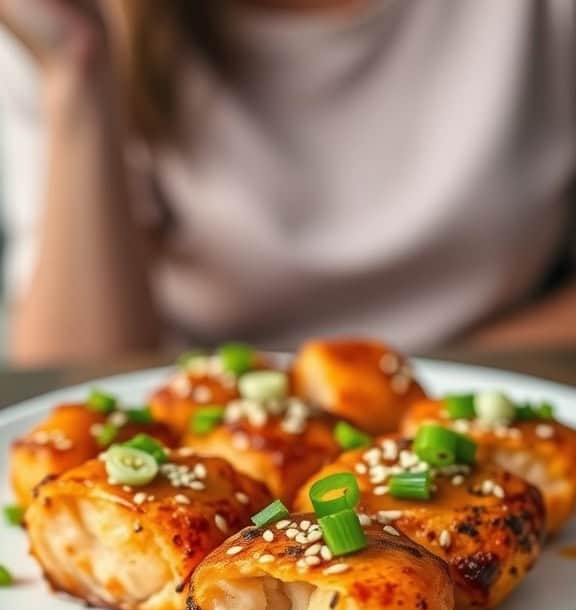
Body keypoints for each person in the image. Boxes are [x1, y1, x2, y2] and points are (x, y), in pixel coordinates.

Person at [0, 0, 575, 366]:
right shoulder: (67, 22)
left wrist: (419, 388)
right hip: (192, 423)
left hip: (497, 381)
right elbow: (68, 376)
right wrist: (77, 67)